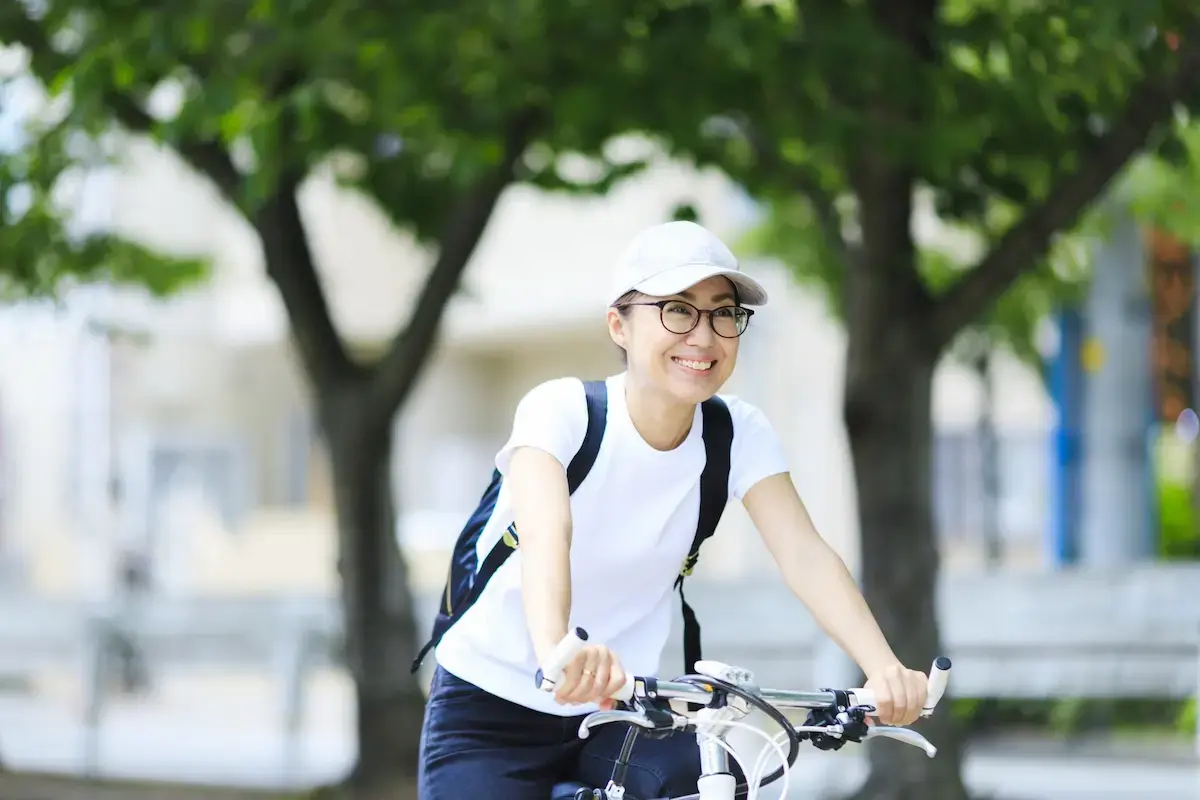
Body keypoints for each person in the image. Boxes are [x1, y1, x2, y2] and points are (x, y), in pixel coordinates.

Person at [417, 220, 930, 799]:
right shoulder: (560, 410)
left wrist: (883, 667)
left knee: (722, 775)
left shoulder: (738, 434)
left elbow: (804, 554)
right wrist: (558, 648)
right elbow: (545, 530)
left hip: (619, 714)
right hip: (491, 709)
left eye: (723, 312)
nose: (704, 336)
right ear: (620, 324)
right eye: (678, 310)